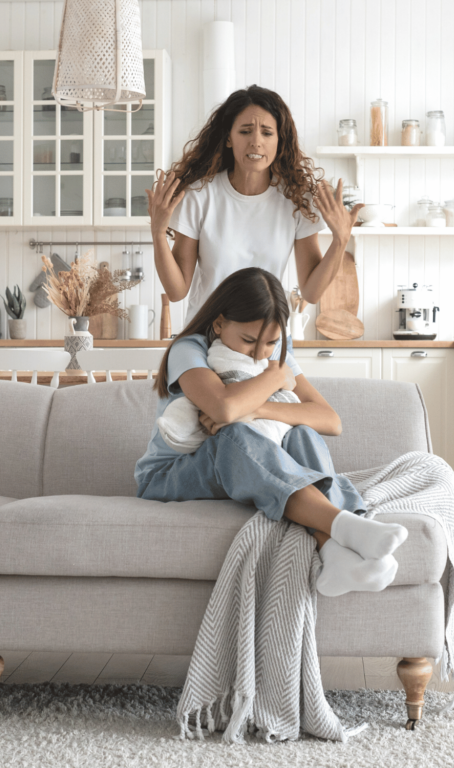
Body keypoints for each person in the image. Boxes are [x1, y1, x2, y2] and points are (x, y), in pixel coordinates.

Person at [134, 267, 408, 597]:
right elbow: (224, 410)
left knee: (301, 433)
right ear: (220, 323)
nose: (260, 353)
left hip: (237, 468)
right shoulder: (189, 349)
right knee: (235, 436)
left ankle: (334, 554)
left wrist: (258, 407)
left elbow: (330, 420)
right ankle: (346, 524)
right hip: (169, 476)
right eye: (249, 341)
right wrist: (274, 379)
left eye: (272, 343)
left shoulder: (276, 357)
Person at [146, 85, 364, 322]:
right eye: (245, 131)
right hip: (207, 333)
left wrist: (340, 240)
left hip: (268, 335)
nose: (256, 142)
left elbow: (311, 293)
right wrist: (158, 233)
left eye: (267, 133)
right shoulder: (199, 196)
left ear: (280, 141)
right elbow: (177, 292)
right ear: (229, 138)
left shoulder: (297, 200)